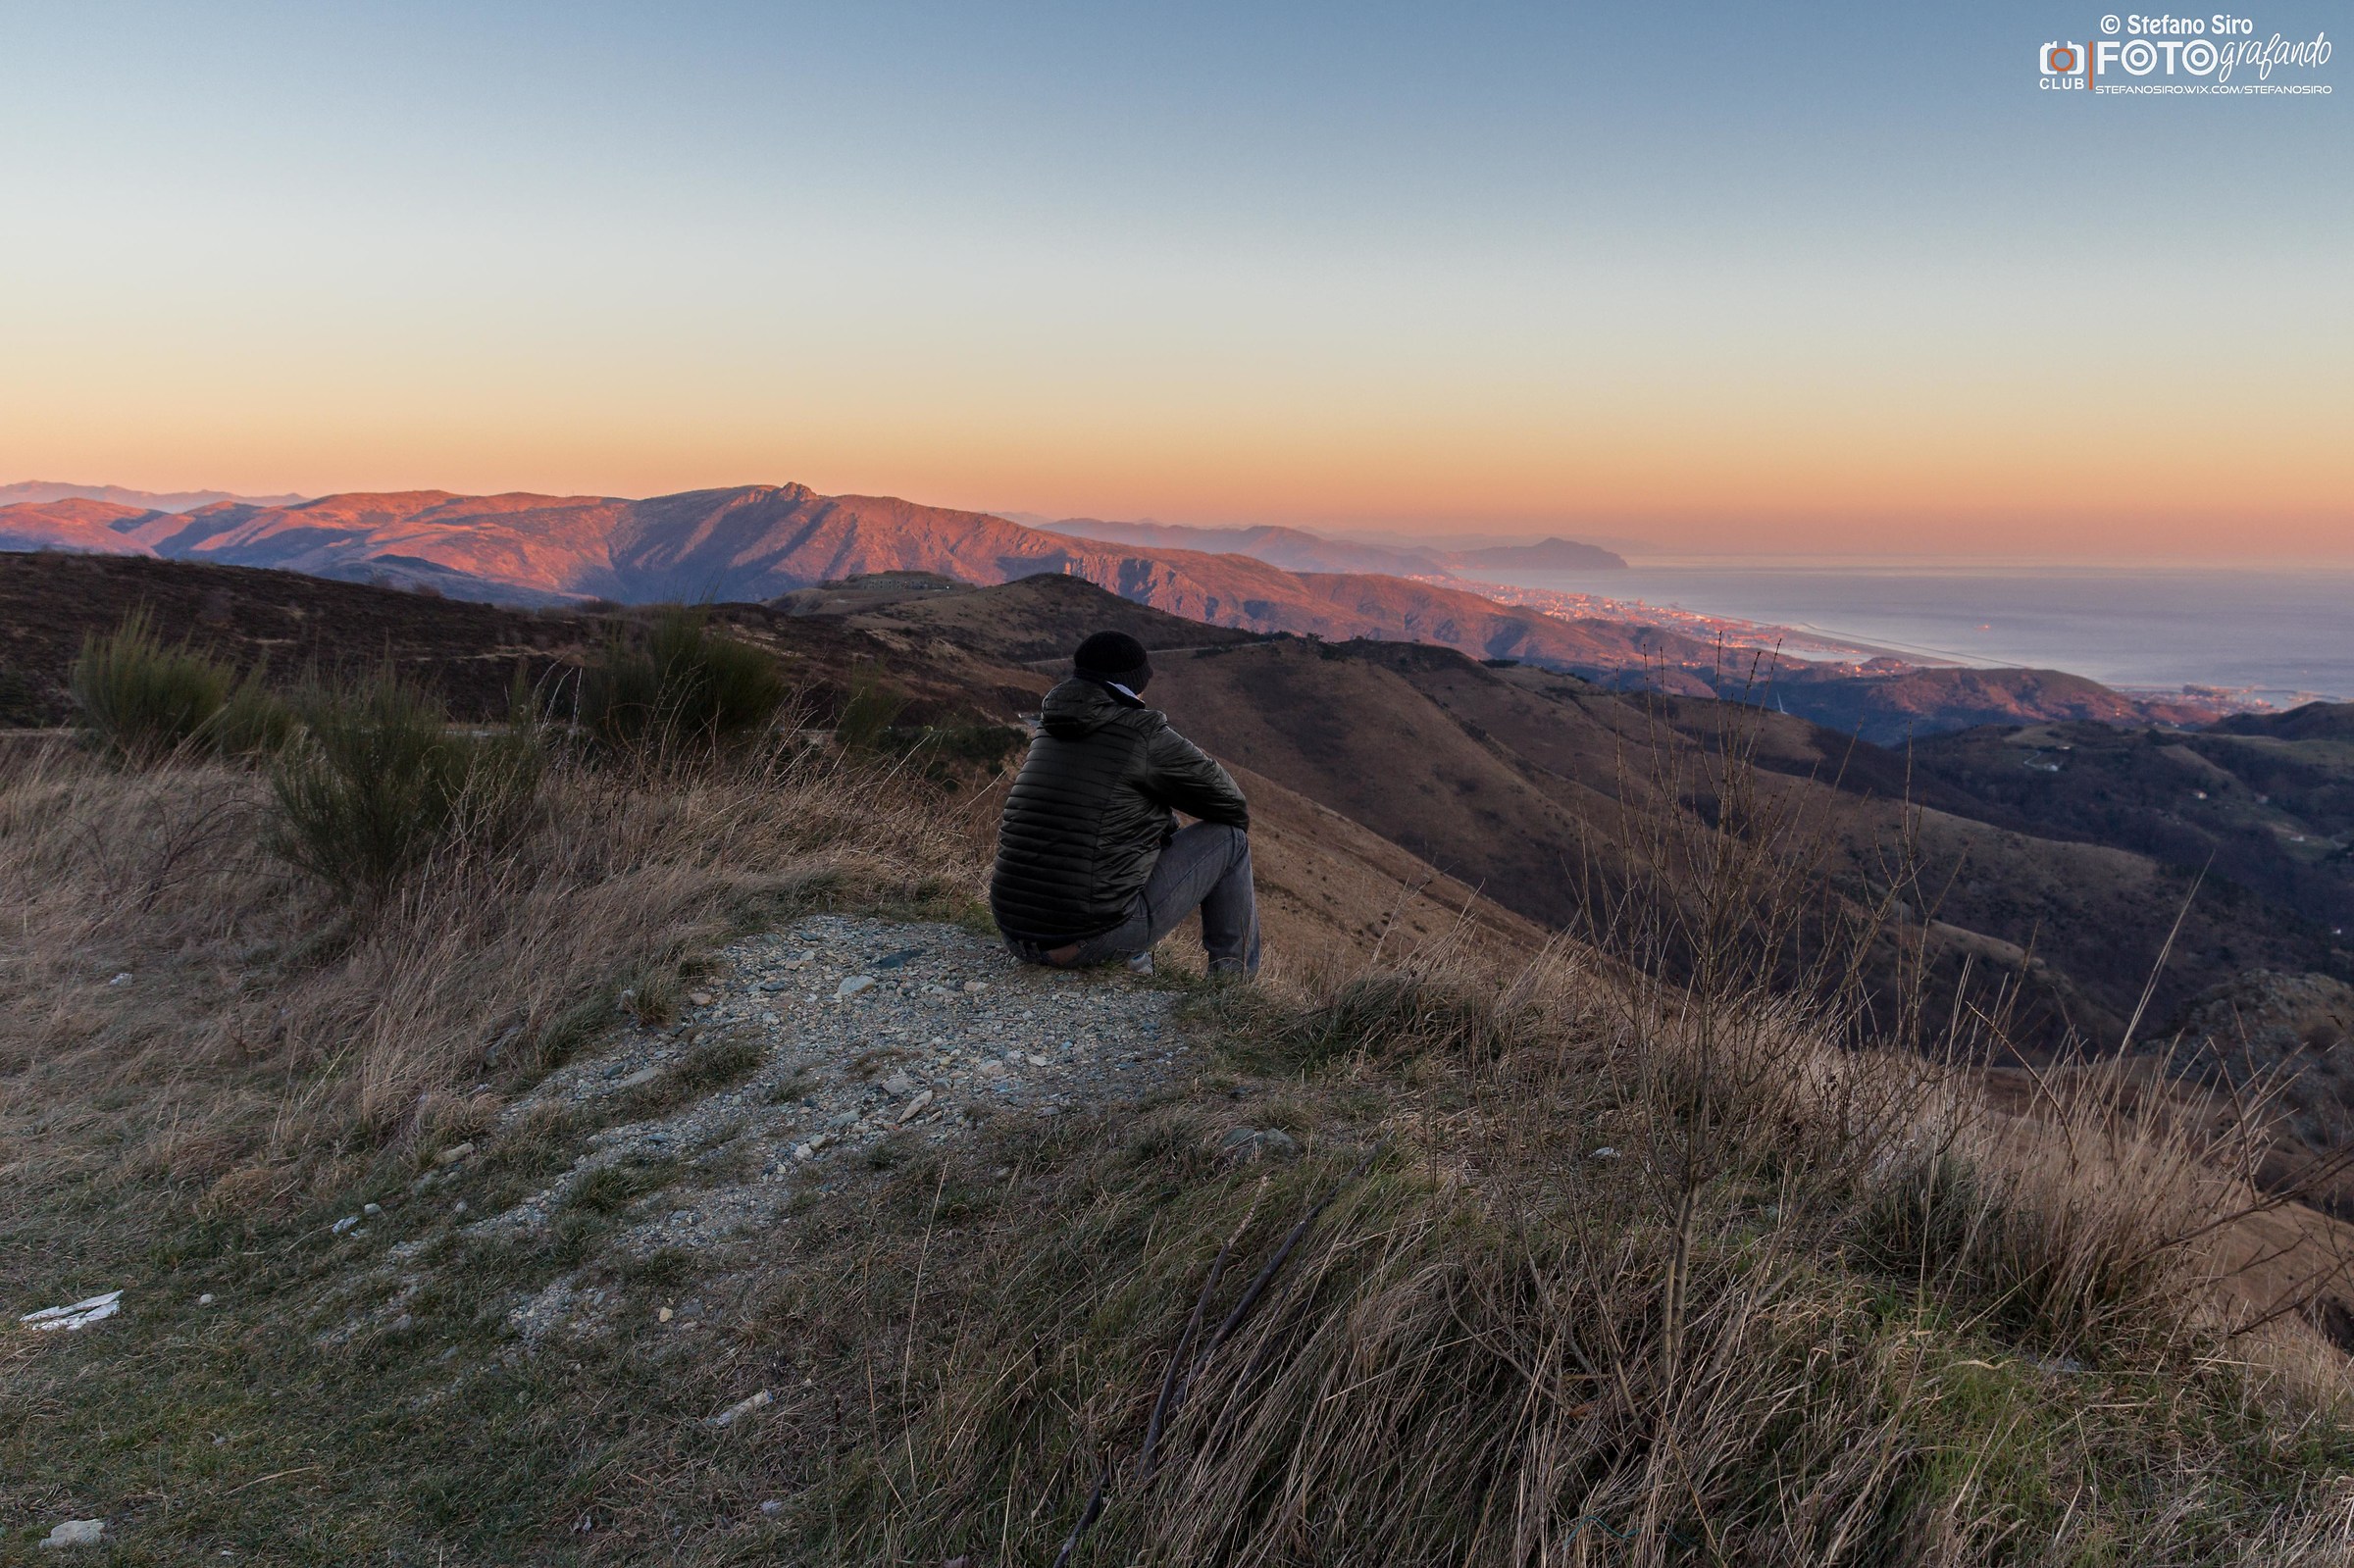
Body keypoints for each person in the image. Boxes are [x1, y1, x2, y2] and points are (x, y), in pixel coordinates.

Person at [991, 631, 1259, 976]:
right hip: (1084, 939)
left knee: (1132, 829)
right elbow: (1232, 806)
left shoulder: (1048, 728)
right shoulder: (1140, 731)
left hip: (1016, 934)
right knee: (1230, 839)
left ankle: (1131, 958)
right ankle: (1231, 986)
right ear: (1137, 681)